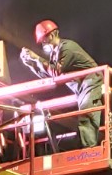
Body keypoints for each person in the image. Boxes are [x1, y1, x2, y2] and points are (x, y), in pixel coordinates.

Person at [18, 19, 103, 149]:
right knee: (84, 117)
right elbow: (49, 76)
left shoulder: (67, 47)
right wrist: (31, 64)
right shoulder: (55, 54)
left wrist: (37, 58)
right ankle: (86, 148)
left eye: (44, 40)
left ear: (52, 35)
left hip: (91, 81)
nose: (43, 44)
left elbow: (56, 72)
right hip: (82, 86)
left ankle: (89, 152)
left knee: (87, 115)